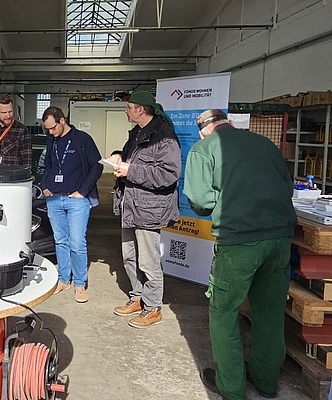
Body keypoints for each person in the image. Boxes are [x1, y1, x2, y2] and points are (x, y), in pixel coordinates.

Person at [184, 109, 297, 400]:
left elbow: (199, 200)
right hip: (280, 239)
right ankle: (266, 381)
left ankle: (231, 387)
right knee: (270, 312)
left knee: (224, 312)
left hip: (239, 243)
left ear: (203, 131)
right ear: (230, 123)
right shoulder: (265, 145)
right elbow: (288, 188)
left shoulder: (203, 149)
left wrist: (219, 203)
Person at [108, 90, 181, 329]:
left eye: (129, 107)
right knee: (129, 256)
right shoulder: (139, 132)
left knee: (148, 261)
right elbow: (134, 158)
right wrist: (119, 155)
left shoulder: (164, 137)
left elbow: (169, 174)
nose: (126, 111)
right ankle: (137, 297)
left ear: (141, 110)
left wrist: (131, 171)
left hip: (149, 208)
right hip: (131, 204)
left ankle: (153, 308)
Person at [40, 106, 103, 303]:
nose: (51, 132)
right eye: (48, 129)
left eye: (53, 128)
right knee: (60, 241)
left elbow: (97, 166)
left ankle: (80, 284)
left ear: (62, 120)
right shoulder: (52, 140)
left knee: (77, 242)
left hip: (76, 200)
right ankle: (64, 279)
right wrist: (44, 185)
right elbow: (48, 166)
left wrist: (82, 191)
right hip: (54, 198)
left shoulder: (82, 139)